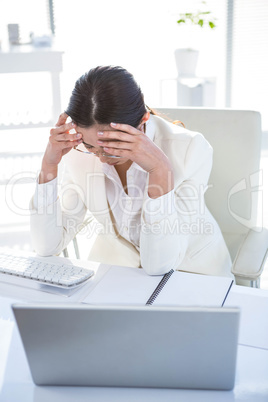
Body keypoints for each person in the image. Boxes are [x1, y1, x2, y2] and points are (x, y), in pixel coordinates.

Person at [30, 65, 232, 277]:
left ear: (143, 119)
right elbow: (46, 246)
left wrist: (160, 170)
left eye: (114, 146)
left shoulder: (190, 149)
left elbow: (159, 265)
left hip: (191, 272)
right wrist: (49, 166)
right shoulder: (77, 151)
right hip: (121, 271)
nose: (103, 159)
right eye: (91, 147)